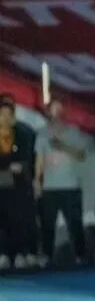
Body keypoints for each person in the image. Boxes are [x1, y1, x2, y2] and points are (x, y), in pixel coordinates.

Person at [35, 98, 93, 266]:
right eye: (54, 109)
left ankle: (80, 255)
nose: (57, 113)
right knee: (47, 224)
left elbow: (82, 155)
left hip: (71, 186)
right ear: (48, 112)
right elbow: (39, 160)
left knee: (75, 223)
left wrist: (63, 147)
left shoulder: (73, 132)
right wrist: (37, 182)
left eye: (59, 109)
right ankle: (46, 255)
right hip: (49, 187)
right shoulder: (42, 134)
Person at [0, 96, 38, 269]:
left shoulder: (23, 133)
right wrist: (8, 168)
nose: (5, 118)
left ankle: (21, 253)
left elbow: (25, 160)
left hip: (19, 186)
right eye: (2, 114)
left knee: (19, 219)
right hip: (2, 184)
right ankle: (4, 254)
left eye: (9, 114)